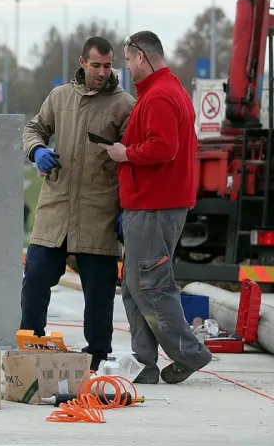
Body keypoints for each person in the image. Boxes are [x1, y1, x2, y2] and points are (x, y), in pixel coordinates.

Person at [21, 36, 135, 370]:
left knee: (98, 297)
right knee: (35, 280)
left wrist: (126, 208)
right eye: (96, 65)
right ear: (83, 62)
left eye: (108, 65)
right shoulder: (59, 98)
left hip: (98, 213)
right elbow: (33, 129)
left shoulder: (123, 105)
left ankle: (97, 362)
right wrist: (37, 150)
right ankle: (31, 347)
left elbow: (133, 161)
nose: (102, 72)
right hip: (55, 209)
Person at [106, 30, 212, 384]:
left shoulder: (160, 96)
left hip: (155, 206)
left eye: (127, 59)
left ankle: (189, 353)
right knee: (135, 286)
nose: (127, 67)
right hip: (152, 204)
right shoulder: (167, 92)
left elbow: (162, 147)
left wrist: (125, 153)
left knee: (151, 285)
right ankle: (144, 362)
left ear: (141, 55)